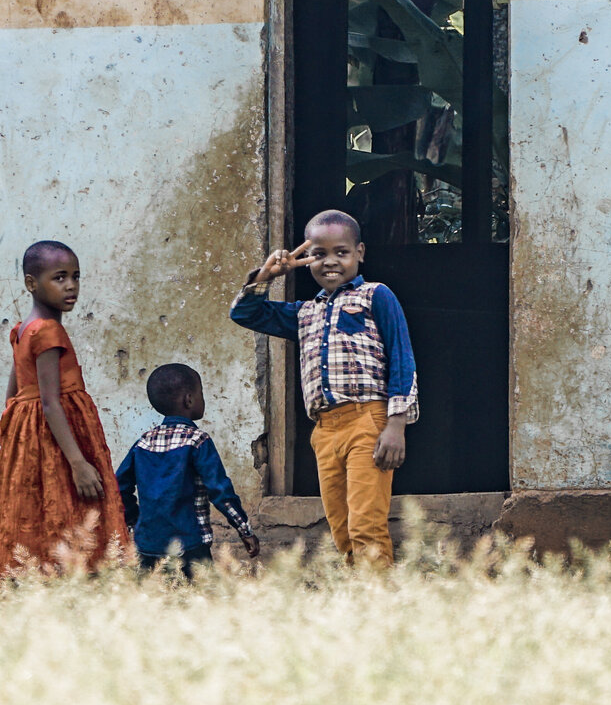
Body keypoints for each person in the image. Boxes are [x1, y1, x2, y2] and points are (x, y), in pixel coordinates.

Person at [231, 209, 418, 567]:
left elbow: (402, 359)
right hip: (325, 431)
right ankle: (357, 601)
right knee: (342, 529)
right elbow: (245, 314)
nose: (330, 262)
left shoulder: (376, 296)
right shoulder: (304, 314)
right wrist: (268, 275)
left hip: (369, 421)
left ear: (359, 252)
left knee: (366, 523)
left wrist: (396, 425)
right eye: (319, 254)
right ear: (306, 259)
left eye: (341, 252)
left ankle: (379, 604)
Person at [0, 240, 131, 575]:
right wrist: (78, 462)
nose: (71, 286)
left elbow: (16, 392)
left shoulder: (23, 330)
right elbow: (51, 403)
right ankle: (71, 572)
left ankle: (36, 571)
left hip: (33, 433)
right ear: (31, 284)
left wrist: (18, 433)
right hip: (59, 434)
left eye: (76, 277)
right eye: (60, 277)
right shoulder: (48, 330)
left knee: (37, 505)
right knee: (70, 503)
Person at [115, 363, 261, 576]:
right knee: (200, 598)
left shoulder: (143, 442)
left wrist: (134, 520)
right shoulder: (198, 441)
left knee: (152, 598)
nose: (203, 399)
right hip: (191, 545)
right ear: (189, 399)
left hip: (147, 545)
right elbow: (221, 492)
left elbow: (118, 487)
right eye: (201, 393)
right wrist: (244, 530)